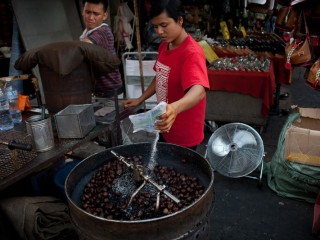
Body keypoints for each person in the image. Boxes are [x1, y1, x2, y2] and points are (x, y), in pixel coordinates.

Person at [123, 0, 209, 150]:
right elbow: (161, 77)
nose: (159, 32)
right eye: (155, 26)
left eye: (164, 25)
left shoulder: (191, 53)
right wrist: (140, 99)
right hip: (165, 124)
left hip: (184, 133)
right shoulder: (165, 45)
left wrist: (174, 108)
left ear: (180, 20)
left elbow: (199, 90)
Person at [80, 0, 123, 98]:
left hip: (110, 92)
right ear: (82, 11)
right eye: (88, 12)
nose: (91, 18)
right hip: (100, 91)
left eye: (96, 14)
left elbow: (81, 47)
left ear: (104, 15)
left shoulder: (102, 32)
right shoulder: (88, 32)